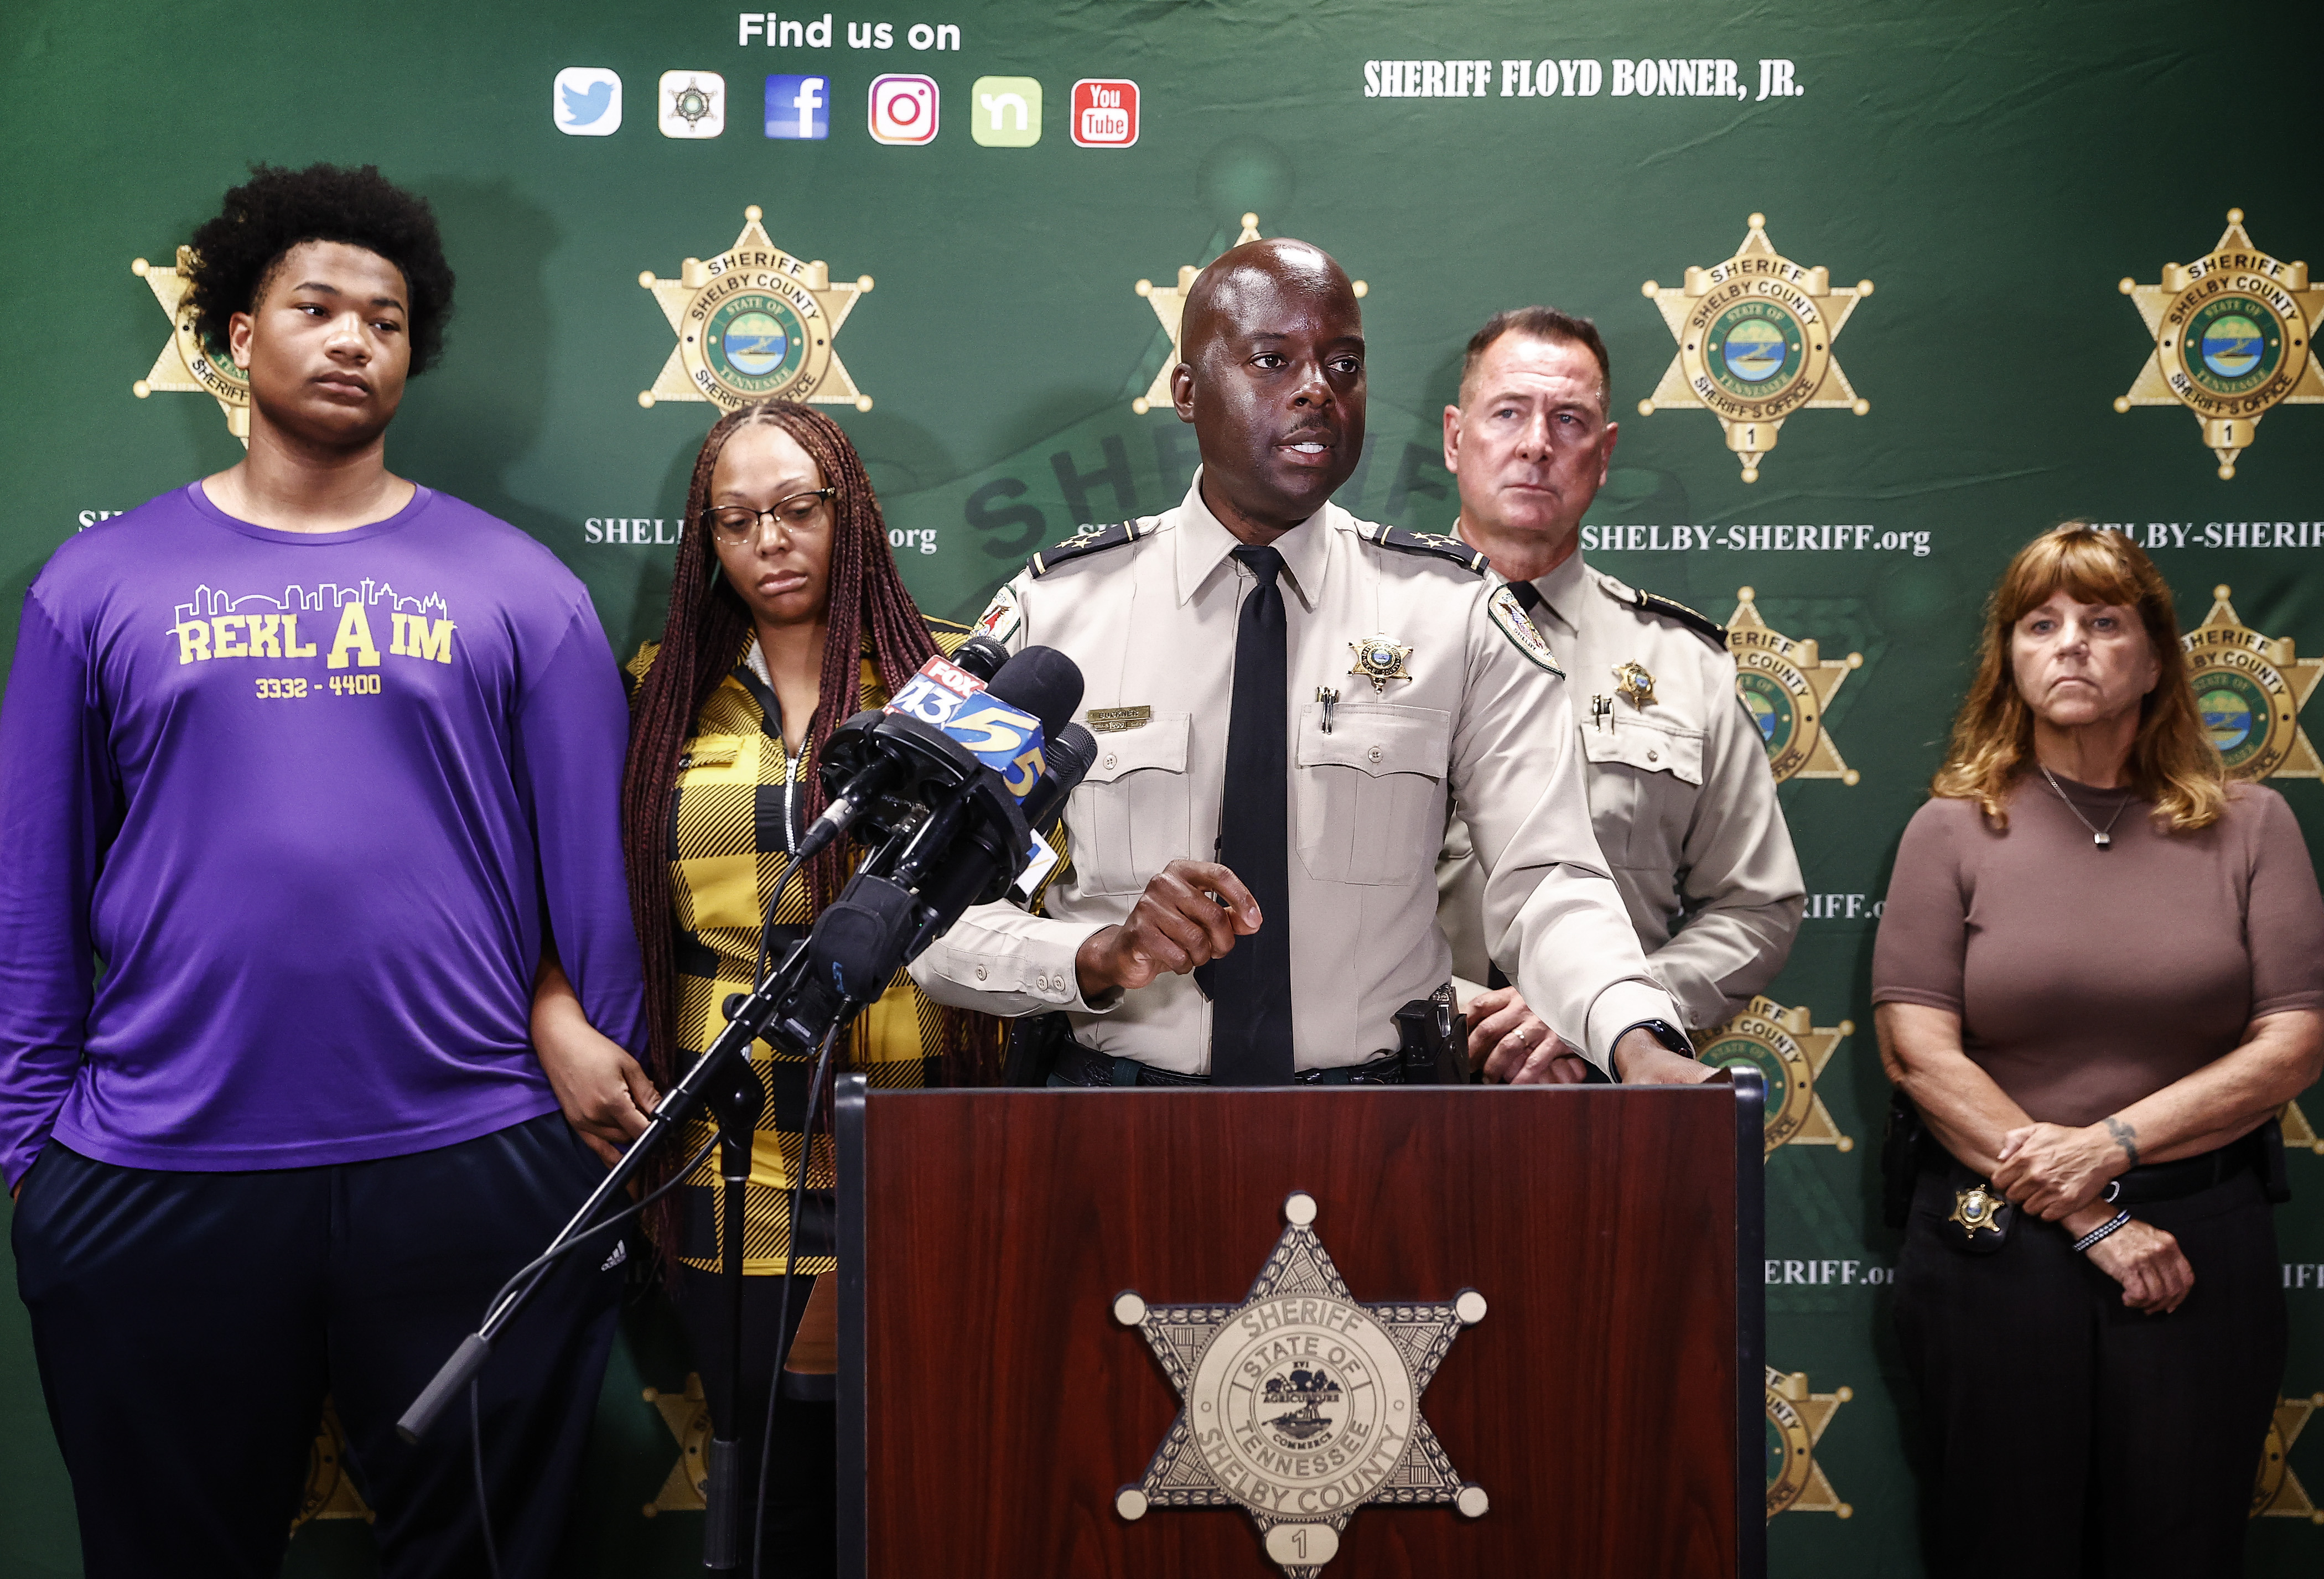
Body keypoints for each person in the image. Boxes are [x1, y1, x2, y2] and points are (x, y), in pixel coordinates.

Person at [0, 164, 643, 1577]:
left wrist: (577, 1133)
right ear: (240, 335)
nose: (355, 337)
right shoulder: (94, 586)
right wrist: (32, 1155)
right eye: (318, 307)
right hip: (160, 1160)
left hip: (473, 1152)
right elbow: (32, 890)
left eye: (387, 319)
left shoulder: (521, 586)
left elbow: (595, 893)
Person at [910, 238, 1704, 1086]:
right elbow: (925, 915)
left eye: (1344, 364)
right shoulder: (1052, 610)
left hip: (1383, 1127)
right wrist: (1098, 954)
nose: (1318, 389)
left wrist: (1637, 1041)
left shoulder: (1456, 613)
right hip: (1119, 1127)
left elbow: (1550, 883)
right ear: (1187, 390)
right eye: (1273, 360)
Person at [532, 399, 999, 1572]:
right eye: (736, 521)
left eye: (797, 508)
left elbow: (1038, 901)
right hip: (736, 1160)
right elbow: (570, 890)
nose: (770, 541)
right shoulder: (660, 694)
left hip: (923, 1143)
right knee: (770, 1503)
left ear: (853, 512)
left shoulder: (951, 683)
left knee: (929, 1493)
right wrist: (554, 1014)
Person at [1872, 523, 2324, 1577]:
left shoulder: (2254, 826)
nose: (2070, 643)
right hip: (1995, 1240)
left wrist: (2110, 1145)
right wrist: (2092, 1214)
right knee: (2002, 1545)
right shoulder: (1950, 829)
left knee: (2182, 1546)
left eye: (2103, 621)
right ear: (2011, 661)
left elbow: (2295, 1042)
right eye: (2041, 624)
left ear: (2155, 659)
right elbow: (1918, 1055)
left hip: (2197, 1242)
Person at [1435, 307, 1803, 1079]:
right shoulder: (1364, 642)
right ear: (1455, 438)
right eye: (1508, 413)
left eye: (1568, 420)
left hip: (1609, 1093)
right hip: (1403, 1084)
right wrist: (1458, 1012)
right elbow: (1306, 893)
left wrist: (1613, 1009)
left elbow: (1757, 904)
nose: (1537, 444)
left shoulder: (1685, 663)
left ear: (1603, 456)